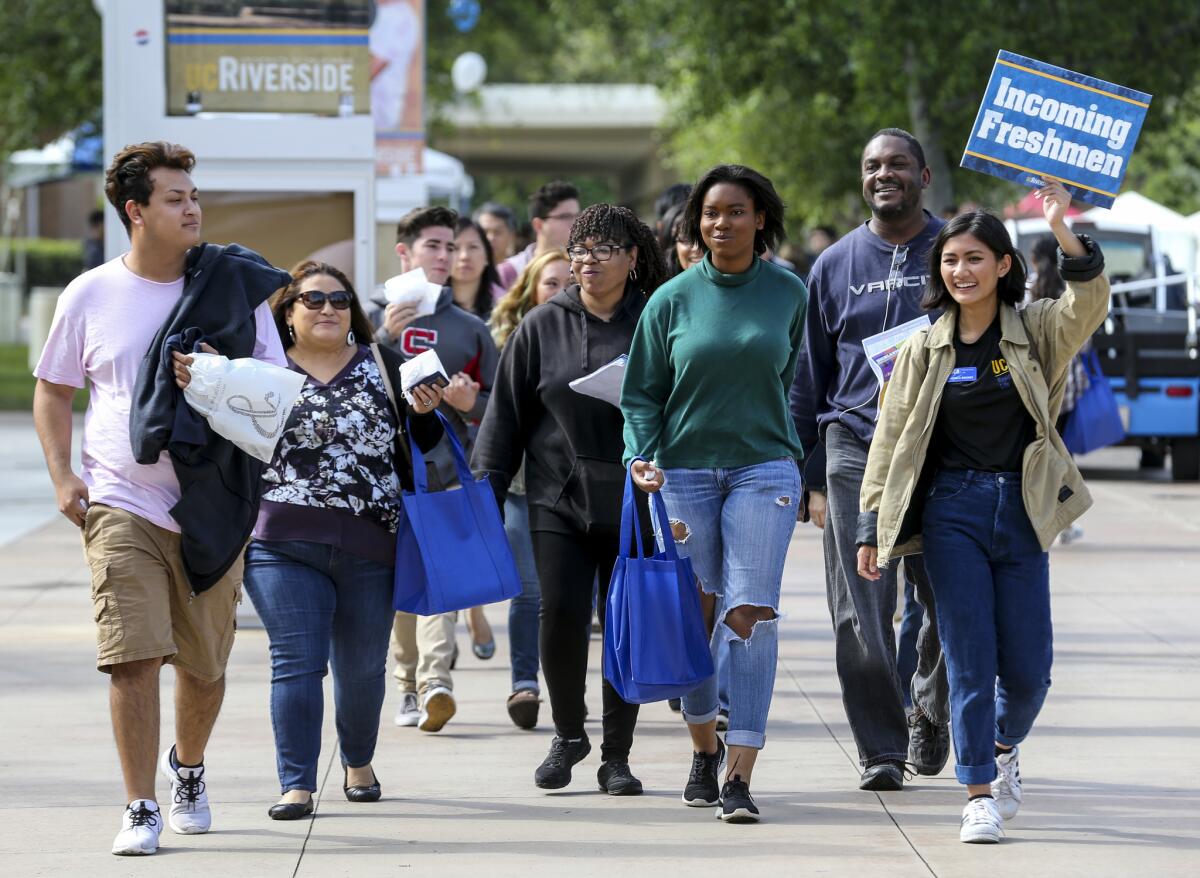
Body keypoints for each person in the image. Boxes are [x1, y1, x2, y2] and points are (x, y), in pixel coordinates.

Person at [32, 142, 288, 856]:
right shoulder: (89, 294)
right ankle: (139, 804)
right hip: (121, 502)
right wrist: (62, 475)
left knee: (203, 670)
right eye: (175, 199)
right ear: (136, 211)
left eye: (194, 196)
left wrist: (215, 372)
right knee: (132, 658)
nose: (193, 208)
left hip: (213, 508)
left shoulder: (233, 287)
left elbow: (276, 389)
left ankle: (189, 769)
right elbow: (53, 391)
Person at [856, 182, 1108, 843]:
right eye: (950, 260)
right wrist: (870, 523)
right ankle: (977, 795)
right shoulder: (923, 347)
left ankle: (1000, 745)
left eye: (975, 258)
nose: (961, 271)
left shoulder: (1037, 332)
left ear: (1002, 265)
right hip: (950, 513)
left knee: (1028, 672)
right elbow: (889, 437)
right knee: (968, 658)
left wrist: (1060, 227)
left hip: (1021, 508)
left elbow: (1088, 303)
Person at [623, 164, 806, 823]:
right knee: (694, 621)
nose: (720, 222)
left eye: (735, 211)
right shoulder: (669, 300)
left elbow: (787, 377)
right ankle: (703, 748)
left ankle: (739, 774)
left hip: (765, 468)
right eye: (709, 212)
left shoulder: (788, 292)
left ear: (761, 219)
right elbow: (641, 393)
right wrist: (640, 457)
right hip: (684, 473)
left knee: (749, 617)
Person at [473, 204, 666, 794]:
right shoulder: (540, 325)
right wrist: (487, 487)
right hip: (556, 494)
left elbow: (682, 403)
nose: (587, 262)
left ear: (633, 259)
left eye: (603, 250)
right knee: (557, 611)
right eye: (579, 251)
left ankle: (617, 754)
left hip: (637, 499)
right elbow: (505, 415)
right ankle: (568, 733)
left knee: (622, 624)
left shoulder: (655, 320)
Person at [243, 262, 445, 820]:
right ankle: (297, 784)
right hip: (281, 540)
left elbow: (422, 441)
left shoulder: (386, 365)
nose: (328, 308)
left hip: (372, 544)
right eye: (313, 300)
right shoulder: (261, 371)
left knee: (361, 668)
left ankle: (358, 762)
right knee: (297, 662)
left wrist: (427, 410)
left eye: (339, 299)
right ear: (288, 312)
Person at [789, 128, 950, 791]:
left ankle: (930, 708)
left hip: (944, 448)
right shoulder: (833, 265)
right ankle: (882, 746)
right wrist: (809, 475)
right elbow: (809, 378)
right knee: (859, 609)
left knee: (944, 599)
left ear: (924, 176)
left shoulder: (954, 251)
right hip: (854, 447)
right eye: (873, 167)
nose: (885, 175)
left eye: (898, 165)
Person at [369, 206, 499, 732]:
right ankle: (406, 683)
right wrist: (380, 337)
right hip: (380, 473)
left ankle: (435, 681)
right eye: (434, 246)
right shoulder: (360, 313)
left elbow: (500, 406)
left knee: (440, 576)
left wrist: (470, 402)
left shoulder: (469, 329)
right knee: (401, 582)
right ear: (405, 252)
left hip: (445, 469)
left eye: (452, 246)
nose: (446, 256)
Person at [485, 248, 572, 728]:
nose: (560, 291)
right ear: (530, 291)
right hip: (522, 482)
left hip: (579, 486)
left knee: (576, 597)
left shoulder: (591, 334)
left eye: (568, 282)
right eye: (550, 283)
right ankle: (524, 683)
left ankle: (572, 691)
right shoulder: (507, 339)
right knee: (529, 591)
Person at [496, 181, 581, 289]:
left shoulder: (584, 267)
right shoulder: (509, 272)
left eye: (577, 215)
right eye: (565, 217)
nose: (576, 223)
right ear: (538, 225)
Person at [451, 217, 503, 322]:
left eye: (473, 247)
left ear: (487, 257)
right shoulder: (430, 308)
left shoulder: (503, 309)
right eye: (455, 248)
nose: (464, 256)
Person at [657, 202, 704, 279]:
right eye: (687, 239)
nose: (696, 248)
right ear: (673, 247)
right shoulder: (664, 290)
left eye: (703, 238)